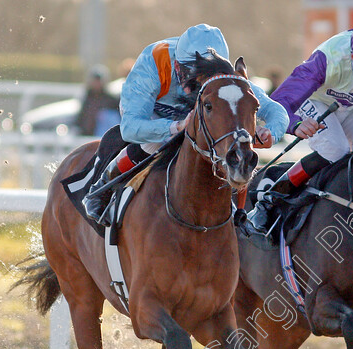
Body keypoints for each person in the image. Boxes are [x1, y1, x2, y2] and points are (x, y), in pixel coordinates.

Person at [83, 23, 288, 223]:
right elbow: (130, 128)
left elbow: (277, 112)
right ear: (177, 64)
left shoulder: (223, 74)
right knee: (152, 143)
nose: (194, 83)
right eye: (191, 73)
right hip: (154, 116)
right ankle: (104, 186)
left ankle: (237, 211)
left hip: (199, 116)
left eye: (204, 74)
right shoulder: (153, 62)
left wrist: (270, 132)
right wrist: (175, 127)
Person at [244, 16, 353, 235]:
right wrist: (295, 124)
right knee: (336, 148)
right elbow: (279, 102)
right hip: (316, 101)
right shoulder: (329, 59)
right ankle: (270, 198)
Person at [75, 64, 120, 137]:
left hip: (102, 138)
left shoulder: (112, 101)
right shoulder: (86, 99)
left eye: (98, 81)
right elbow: (81, 119)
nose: (96, 84)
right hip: (86, 136)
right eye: (95, 80)